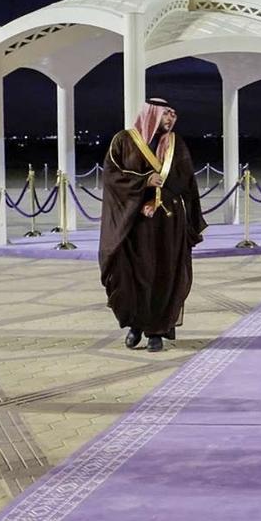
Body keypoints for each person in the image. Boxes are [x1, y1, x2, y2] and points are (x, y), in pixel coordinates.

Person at [99, 97, 205, 353]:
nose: (171, 118)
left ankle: (157, 330)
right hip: (133, 224)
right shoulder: (123, 141)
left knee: (164, 274)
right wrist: (144, 182)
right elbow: (112, 176)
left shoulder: (176, 144)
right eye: (166, 113)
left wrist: (167, 204)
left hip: (167, 223)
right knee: (133, 275)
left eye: (173, 114)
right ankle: (136, 325)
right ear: (152, 114)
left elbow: (186, 182)